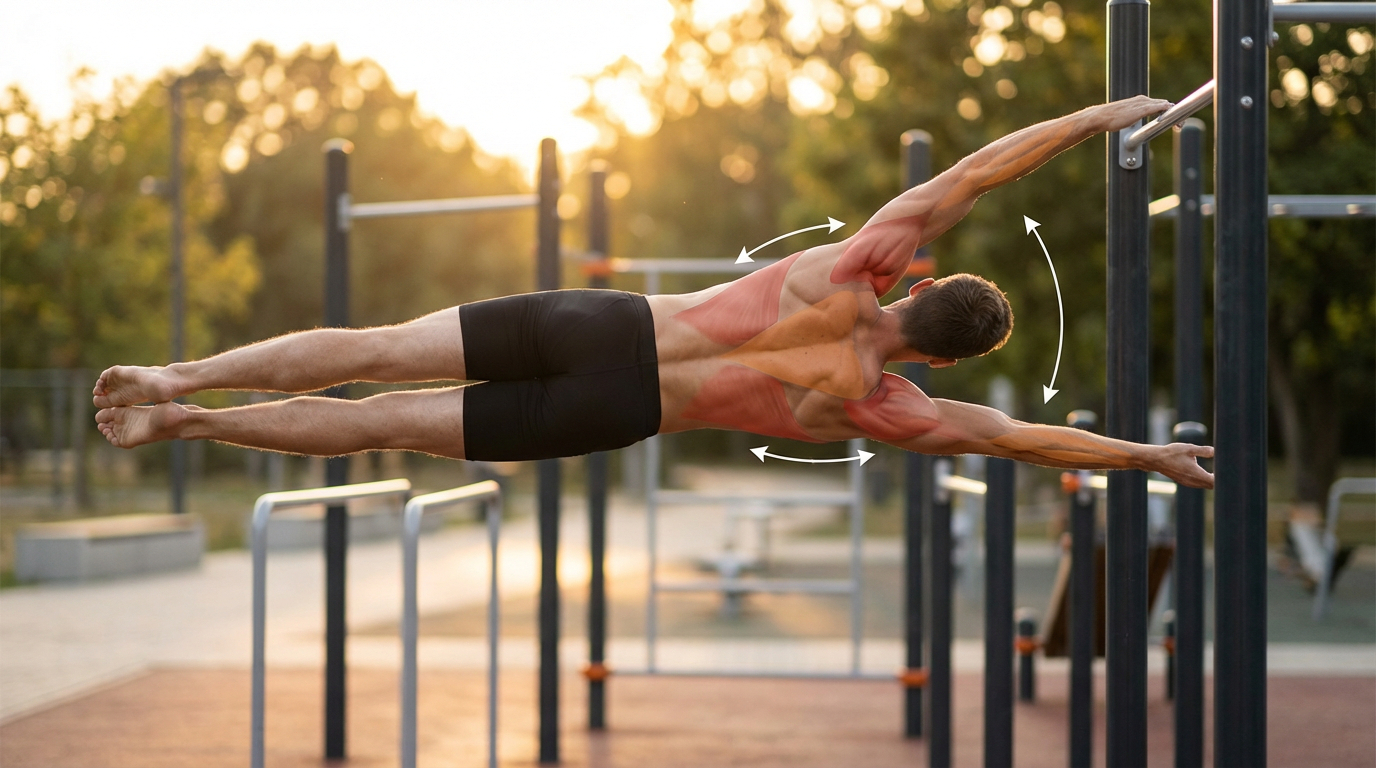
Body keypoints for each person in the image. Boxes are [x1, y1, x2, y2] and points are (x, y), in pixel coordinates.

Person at [94, 95, 1214, 489]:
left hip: (601, 322)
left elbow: (971, 176)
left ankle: (178, 372)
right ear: (942, 355)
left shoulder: (851, 264)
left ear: (917, 278)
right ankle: (182, 422)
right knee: (379, 425)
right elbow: (1020, 442)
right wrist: (1147, 458)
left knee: (375, 348)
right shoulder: (882, 404)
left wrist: (1088, 121)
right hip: (609, 410)